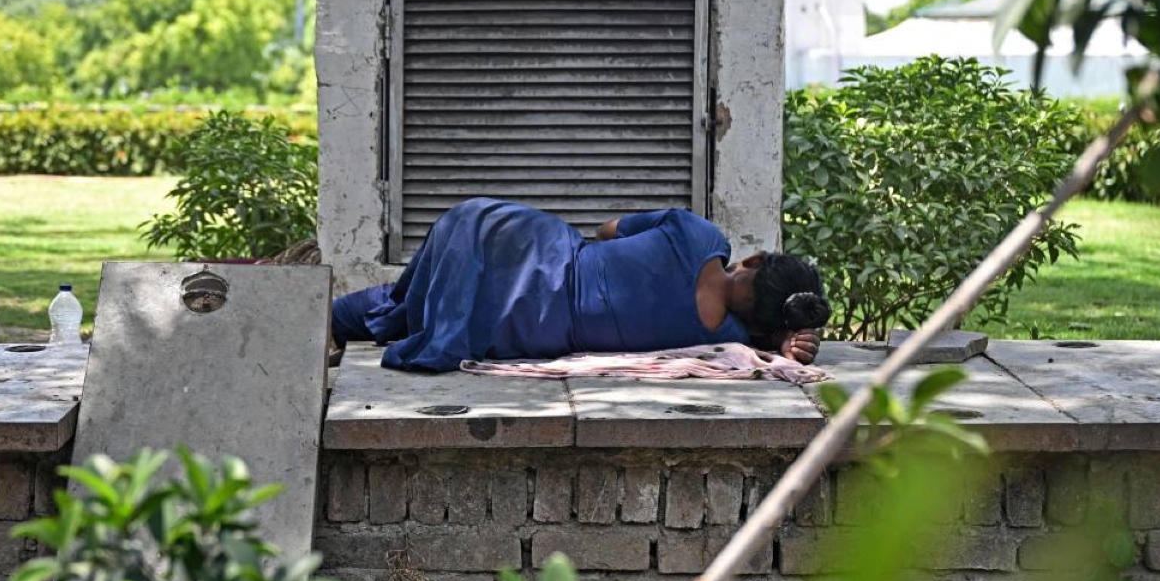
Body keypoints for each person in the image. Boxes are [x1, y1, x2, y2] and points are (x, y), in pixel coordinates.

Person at [331, 197, 829, 372]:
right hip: (533, 328)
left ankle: (330, 317)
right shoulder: (726, 338)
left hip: (537, 252)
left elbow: (606, 231)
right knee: (422, 306)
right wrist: (782, 343)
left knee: (417, 292)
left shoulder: (698, 234)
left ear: (755, 259)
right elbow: (762, 348)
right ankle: (352, 319)